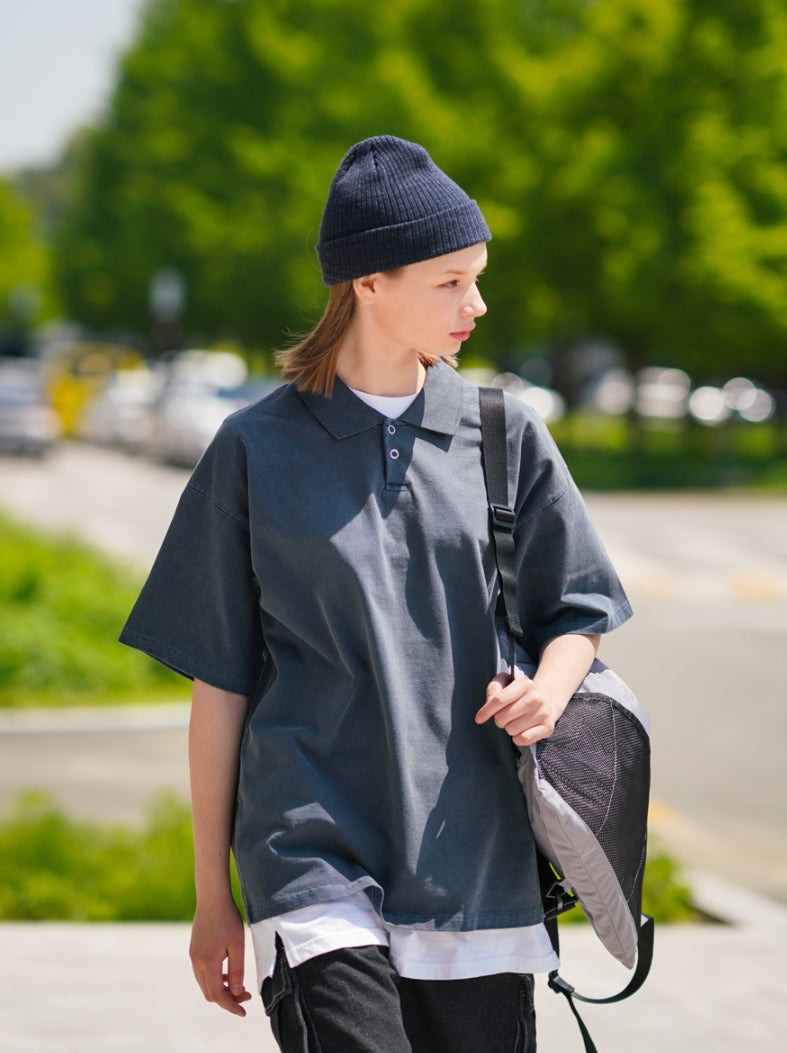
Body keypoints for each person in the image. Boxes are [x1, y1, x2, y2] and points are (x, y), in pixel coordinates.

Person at [120, 135, 632, 1053]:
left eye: (476, 277)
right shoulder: (254, 449)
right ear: (367, 283)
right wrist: (211, 897)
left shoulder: (504, 433)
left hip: (477, 861)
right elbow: (220, 687)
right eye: (448, 281)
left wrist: (547, 690)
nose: (475, 304)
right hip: (307, 856)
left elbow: (578, 613)